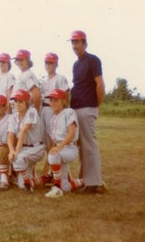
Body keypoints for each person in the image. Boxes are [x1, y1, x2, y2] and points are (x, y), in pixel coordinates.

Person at [69, 30, 106, 194]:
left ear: (85, 43)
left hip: (87, 107)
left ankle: (94, 183)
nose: (74, 45)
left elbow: (100, 84)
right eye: (72, 42)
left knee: (89, 145)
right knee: (81, 146)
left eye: (77, 42)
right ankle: (86, 179)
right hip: (76, 108)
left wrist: (95, 106)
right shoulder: (76, 64)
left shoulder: (93, 60)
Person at [44, 89, 84, 198]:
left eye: (56, 100)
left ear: (63, 102)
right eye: (51, 100)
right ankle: (84, 181)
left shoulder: (69, 112)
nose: (52, 103)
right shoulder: (52, 118)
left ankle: (56, 187)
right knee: (65, 187)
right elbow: (53, 140)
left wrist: (58, 147)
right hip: (60, 149)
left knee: (53, 155)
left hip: (69, 148)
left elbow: (71, 133)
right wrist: (54, 148)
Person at [7, 89, 45, 193]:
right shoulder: (13, 117)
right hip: (24, 147)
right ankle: (44, 178)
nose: (17, 104)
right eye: (15, 101)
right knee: (20, 185)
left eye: (20, 101)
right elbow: (10, 135)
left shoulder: (31, 111)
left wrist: (16, 152)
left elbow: (23, 132)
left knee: (18, 158)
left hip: (36, 147)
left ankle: (28, 182)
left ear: (27, 102)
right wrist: (11, 150)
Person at [40, 52, 69, 181]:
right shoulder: (43, 81)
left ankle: (53, 172)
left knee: (55, 139)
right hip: (44, 110)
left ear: (56, 64)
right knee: (47, 141)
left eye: (51, 62)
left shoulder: (60, 78)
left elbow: (65, 96)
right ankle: (51, 172)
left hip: (54, 110)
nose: (48, 65)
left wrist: (63, 113)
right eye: (46, 62)